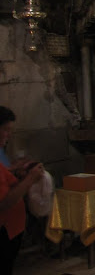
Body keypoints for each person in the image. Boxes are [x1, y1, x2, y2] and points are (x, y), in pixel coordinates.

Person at [0, 106, 44, 274]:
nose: (9, 135)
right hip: (4, 231)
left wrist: (16, 173)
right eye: (5, 129)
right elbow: (4, 202)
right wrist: (30, 178)